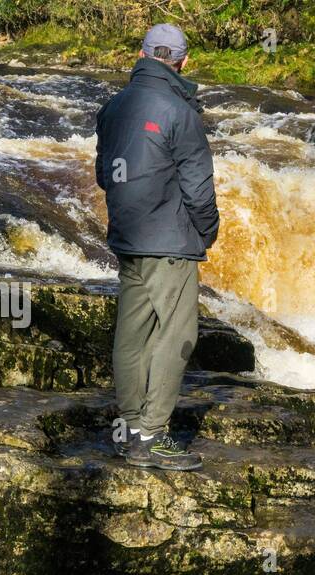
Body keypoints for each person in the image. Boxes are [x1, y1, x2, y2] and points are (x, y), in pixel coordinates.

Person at [95, 23, 220, 471]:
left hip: (128, 238)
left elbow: (104, 175)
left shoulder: (112, 108)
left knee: (133, 333)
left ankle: (130, 429)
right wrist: (206, 232)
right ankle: (151, 435)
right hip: (170, 243)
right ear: (184, 61)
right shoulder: (181, 112)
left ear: (142, 54)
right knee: (179, 335)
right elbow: (198, 189)